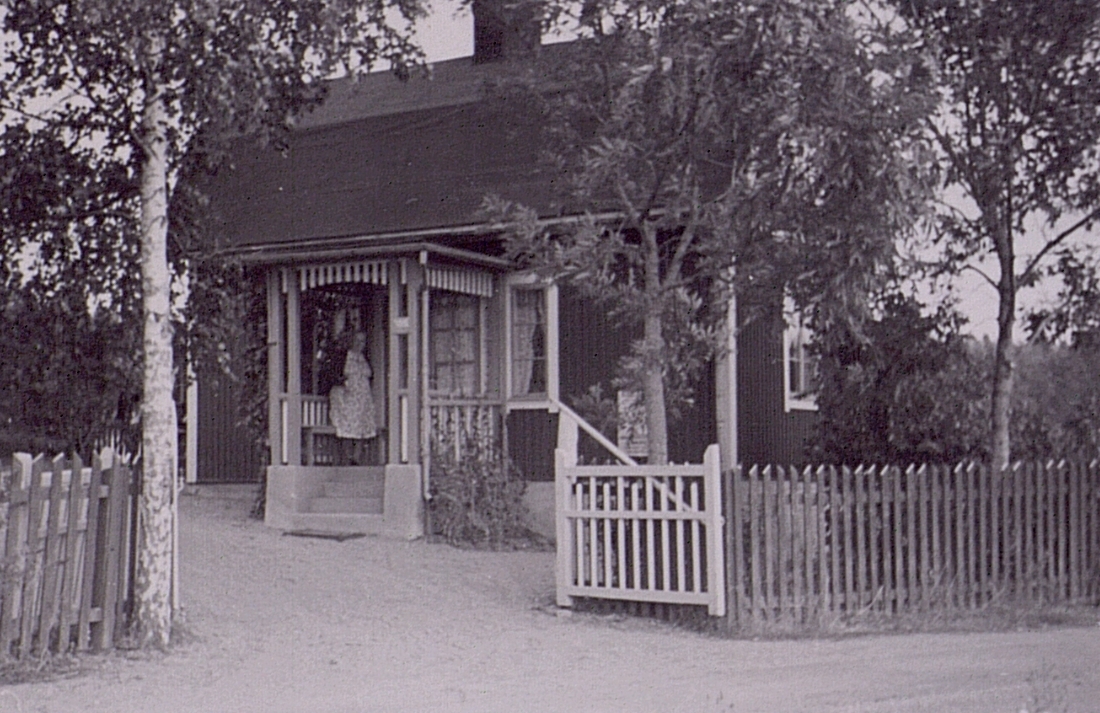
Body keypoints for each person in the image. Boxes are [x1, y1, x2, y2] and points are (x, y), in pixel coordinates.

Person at [328, 331, 377, 464]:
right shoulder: (343, 356)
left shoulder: (364, 358)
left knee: (362, 423)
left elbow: (370, 374)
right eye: (357, 341)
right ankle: (347, 456)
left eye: (363, 341)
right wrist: (344, 384)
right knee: (347, 423)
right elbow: (334, 375)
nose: (360, 344)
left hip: (363, 397)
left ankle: (357, 457)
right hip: (347, 396)